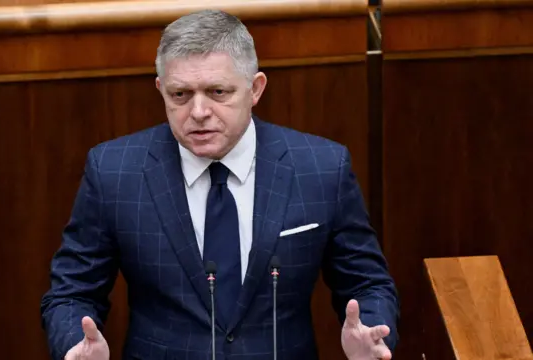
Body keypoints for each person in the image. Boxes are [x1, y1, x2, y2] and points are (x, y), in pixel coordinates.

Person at [41, 9, 399, 360]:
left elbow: (366, 283)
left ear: (255, 89)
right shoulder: (114, 171)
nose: (198, 112)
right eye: (180, 95)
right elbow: (72, 291)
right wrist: (74, 344)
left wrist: (372, 331)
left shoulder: (321, 167)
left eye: (217, 92)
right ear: (160, 90)